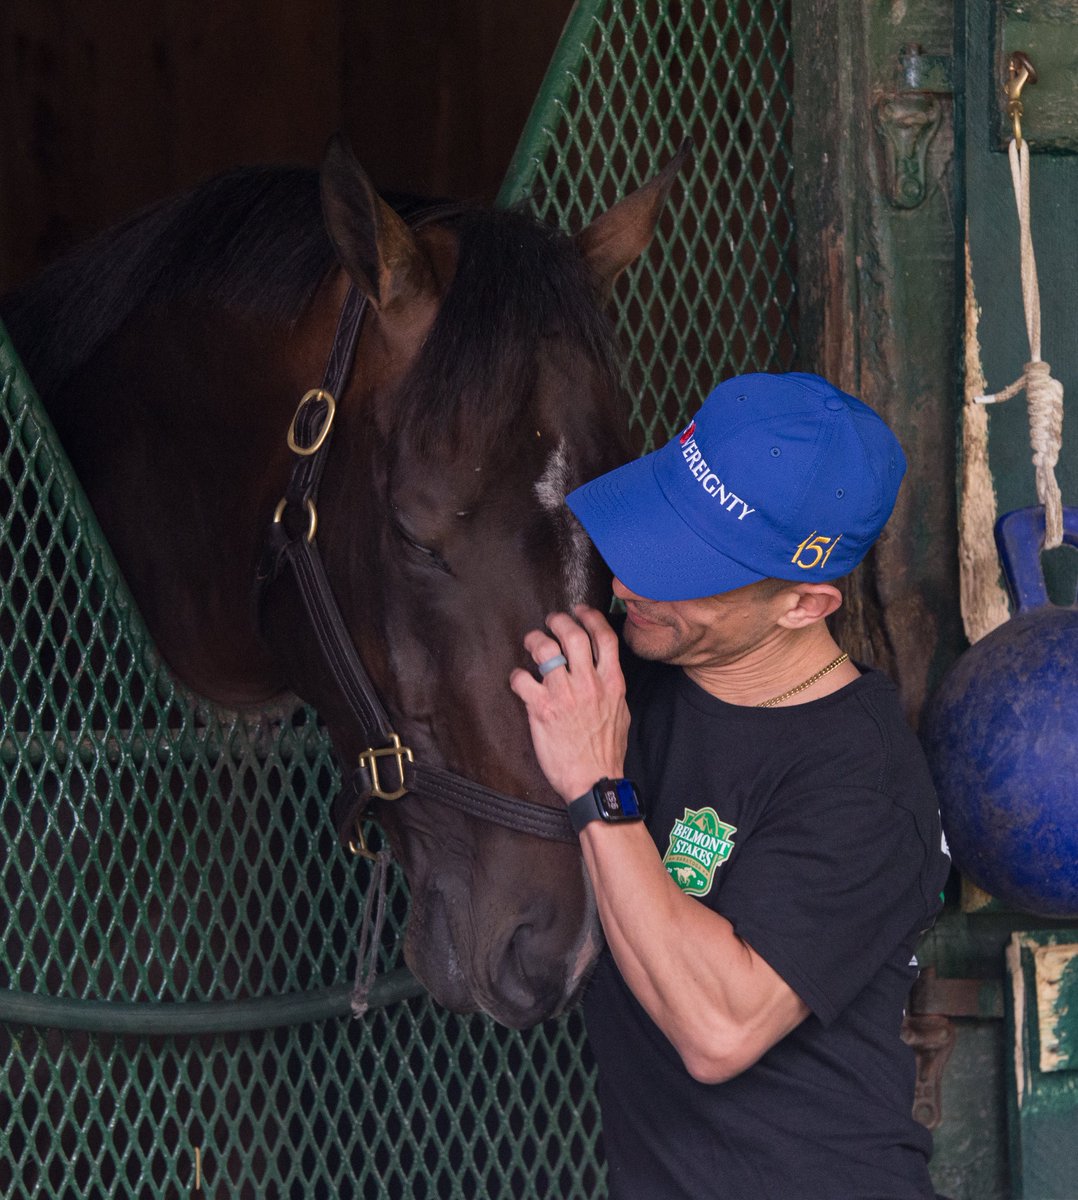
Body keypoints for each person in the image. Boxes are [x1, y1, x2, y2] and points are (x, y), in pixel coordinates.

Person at [509, 372, 951, 1200]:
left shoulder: (866, 787)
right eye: (653, 528)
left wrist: (599, 786)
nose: (633, 580)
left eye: (686, 568)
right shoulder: (633, 678)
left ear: (803, 604)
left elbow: (719, 1029)